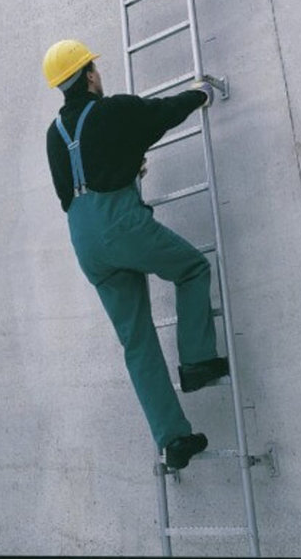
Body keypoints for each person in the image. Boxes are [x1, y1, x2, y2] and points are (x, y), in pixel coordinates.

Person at [43, 38, 229, 470]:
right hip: (119, 226)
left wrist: (128, 166)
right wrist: (200, 94)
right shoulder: (111, 110)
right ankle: (198, 362)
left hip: (85, 242)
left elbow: (74, 185)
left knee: (137, 340)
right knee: (191, 269)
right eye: (95, 68)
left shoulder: (54, 134)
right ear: (89, 74)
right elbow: (160, 114)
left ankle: (174, 439)